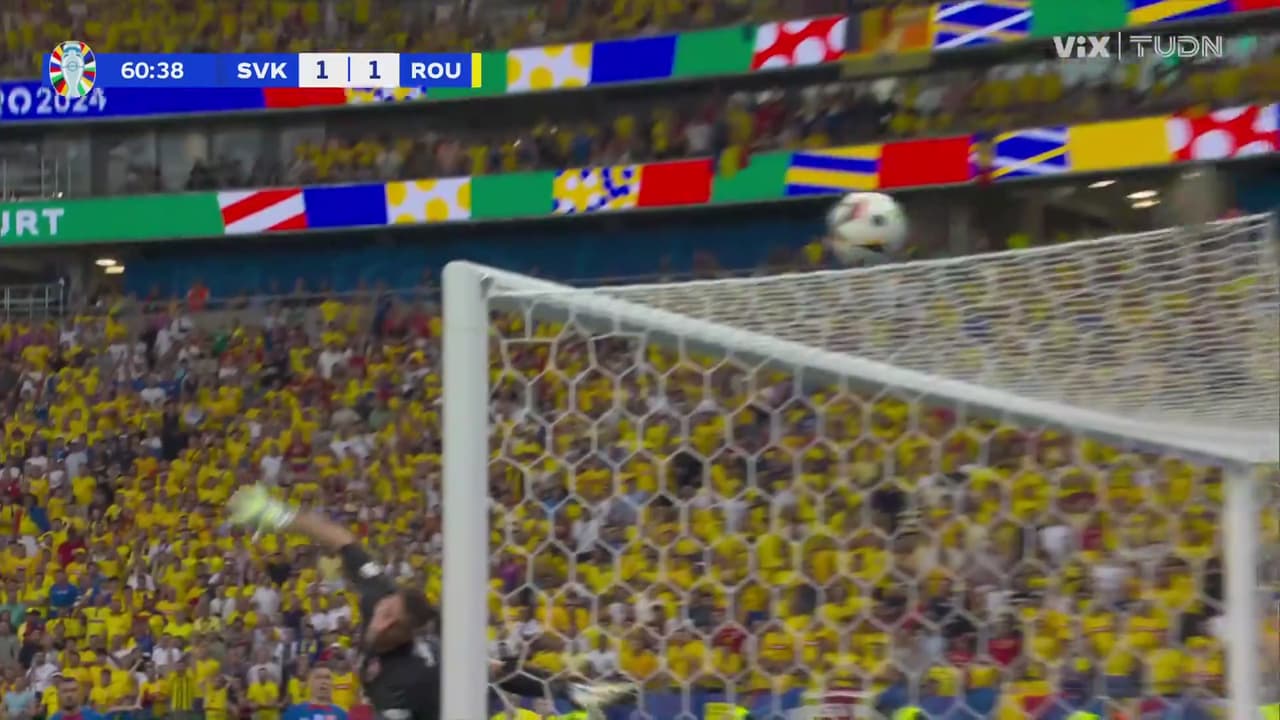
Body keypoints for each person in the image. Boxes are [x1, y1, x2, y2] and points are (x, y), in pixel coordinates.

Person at [228, 485, 634, 720]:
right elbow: (341, 538)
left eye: (393, 624)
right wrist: (277, 515)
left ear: (408, 635)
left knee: (482, 667)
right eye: (385, 613)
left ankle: (575, 695)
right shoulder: (379, 592)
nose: (382, 623)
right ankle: (574, 693)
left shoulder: (409, 674)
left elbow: (492, 671)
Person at [283, 666, 348, 720]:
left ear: (333, 684)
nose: (323, 681)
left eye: (327, 678)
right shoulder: (293, 713)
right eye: (318, 677)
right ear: (309, 683)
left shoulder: (342, 715)